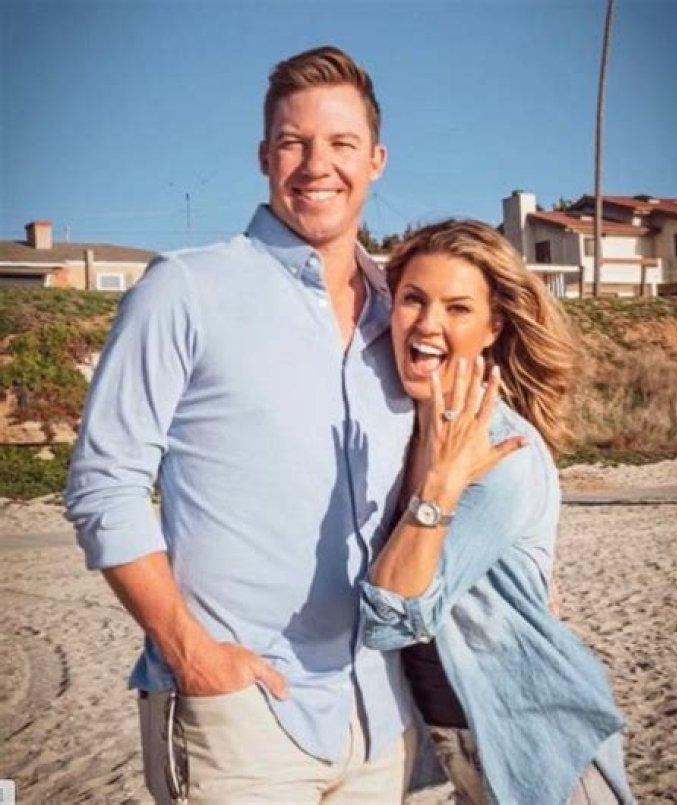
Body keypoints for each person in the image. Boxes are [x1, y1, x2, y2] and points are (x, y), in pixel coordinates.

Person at [65, 46, 419, 804]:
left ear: (377, 160)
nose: (317, 165)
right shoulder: (184, 291)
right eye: (294, 142)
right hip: (241, 713)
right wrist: (191, 655)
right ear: (264, 157)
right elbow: (104, 485)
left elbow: (464, 454)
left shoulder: (404, 311)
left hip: (381, 715)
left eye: (341, 143)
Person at [360, 220, 635, 805]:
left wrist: (438, 490)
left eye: (458, 308)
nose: (428, 323)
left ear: (493, 328)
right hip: (465, 743)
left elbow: (394, 618)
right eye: (413, 299)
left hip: (540, 746)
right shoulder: (404, 437)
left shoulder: (502, 453)